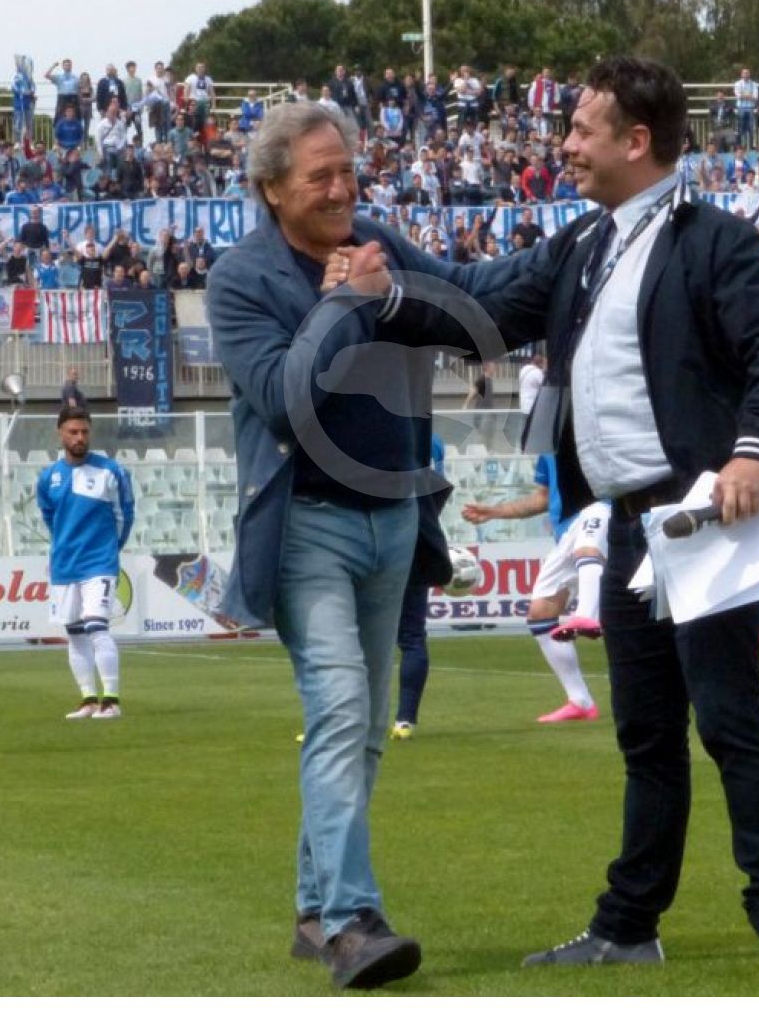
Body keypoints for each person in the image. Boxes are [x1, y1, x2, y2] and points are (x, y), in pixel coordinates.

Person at [398, 57, 759, 980]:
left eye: (581, 129)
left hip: (703, 521)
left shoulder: (715, 240)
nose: (565, 145)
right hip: (627, 531)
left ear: (637, 141)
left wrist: (753, 450)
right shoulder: (583, 245)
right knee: (646, 735)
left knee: (730, 721)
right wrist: (382, 278)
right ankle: (629, 923)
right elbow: (476, 303)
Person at [207, 102, 462, 990]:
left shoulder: (378, 243)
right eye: (320, 175)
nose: (342, 188)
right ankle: (353, 921)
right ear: (271, 188)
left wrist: (570, 259)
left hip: (393, 518)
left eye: (348, 170)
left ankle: (316, 911)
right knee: (344, 707)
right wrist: (348, 304)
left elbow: (465, 302)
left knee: (364, 727)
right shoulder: (240, 280)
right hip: (306, 522)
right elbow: (286, 399)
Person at [459, 455, 605, 724]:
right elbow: (543, 497)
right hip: (567, 532)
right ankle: (580, 701)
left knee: (589, 549)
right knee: (540, 613)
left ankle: (587, 615)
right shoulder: (548, 446)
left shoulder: (595, 433)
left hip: (604, 511)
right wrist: (495, 512)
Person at [36, 405, 134, 720]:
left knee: (96, 627)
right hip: (65, 565)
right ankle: (88, 699)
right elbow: (50, 518)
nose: (80, 437)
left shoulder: (111, 472)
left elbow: (124, 515)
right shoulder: (48, 477)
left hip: (98, 562)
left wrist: (110, 549)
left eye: (84, 432)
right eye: (73, 432)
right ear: (60, 434)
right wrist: (65, 546)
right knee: (75, 633)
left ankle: (112, 700)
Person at [390, 437, 450, 740]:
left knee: (352, 636)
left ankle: (340, 721)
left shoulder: (365, 429)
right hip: (418, 540)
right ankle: (405, 720)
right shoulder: (431, 440)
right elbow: (437, 489)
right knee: (412, 636)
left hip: (378, 540)